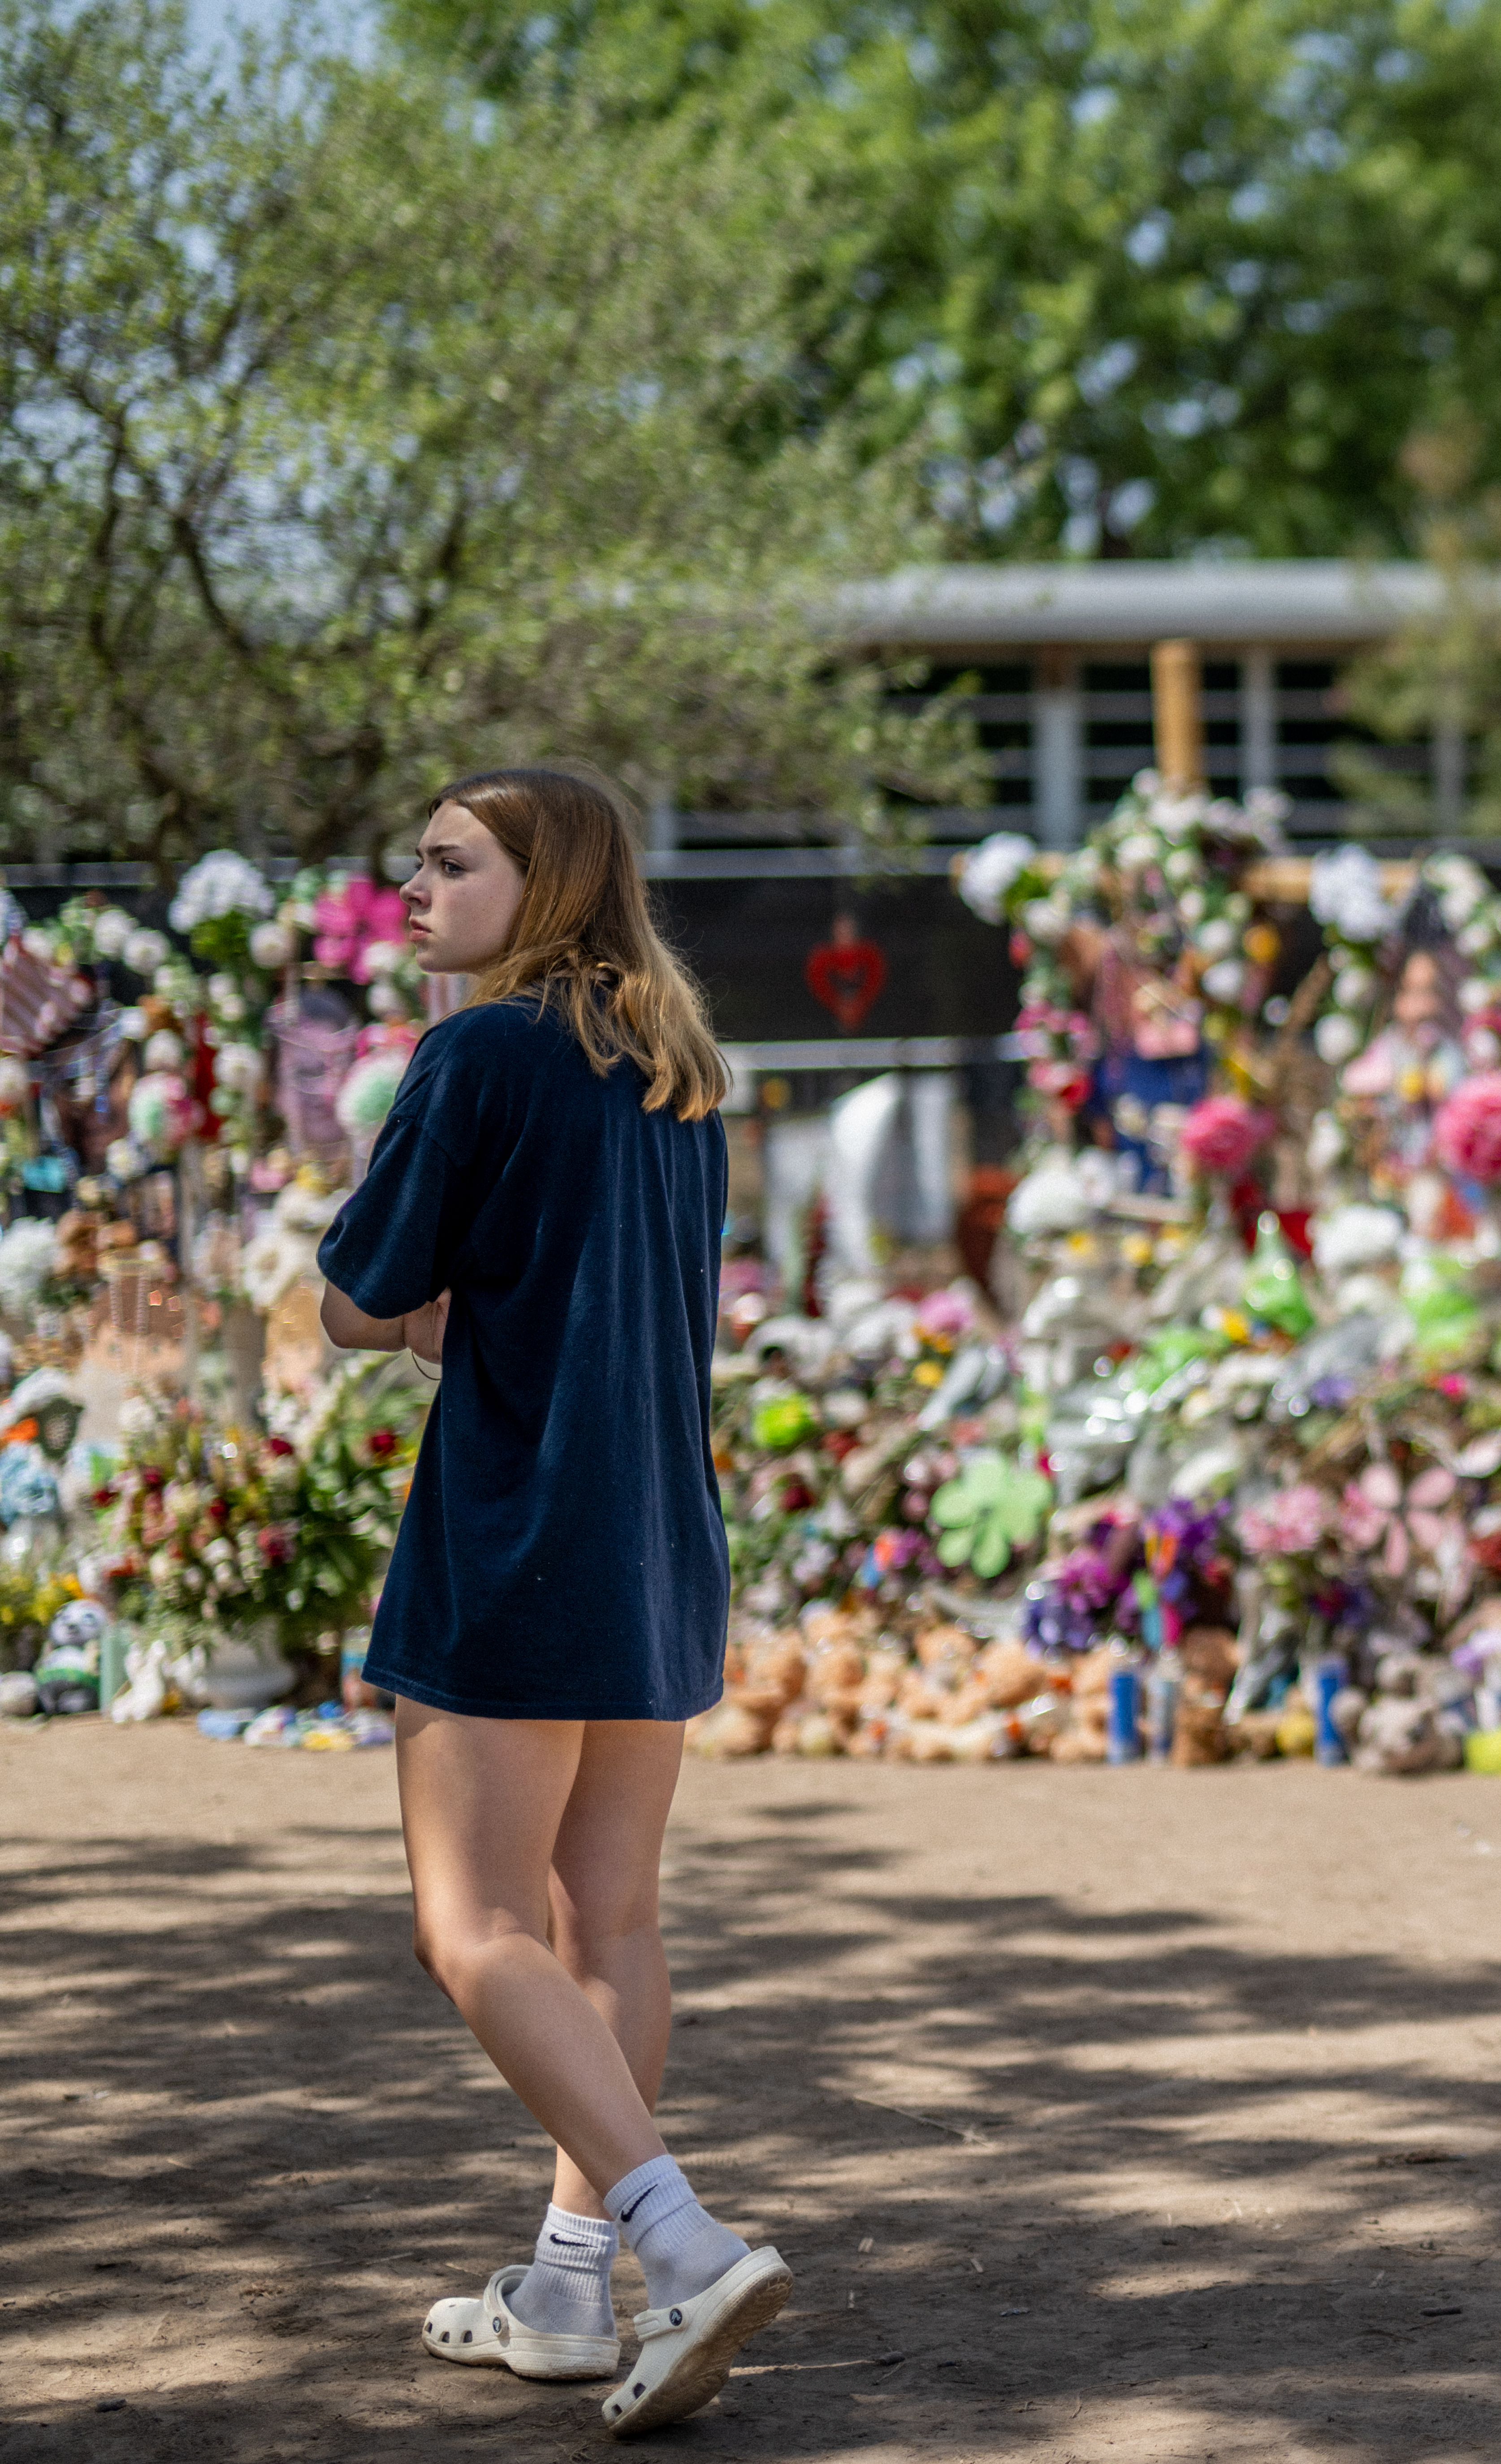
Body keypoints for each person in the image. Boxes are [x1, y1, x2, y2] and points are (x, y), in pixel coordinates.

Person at [316, 766, 787, 2439]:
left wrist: (411, 1300)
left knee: (473, 1926)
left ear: (550, 879)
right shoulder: (677, 1071)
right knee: (617, 1927)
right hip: (658, 1538)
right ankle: (569, 2282)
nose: (414, 893)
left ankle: (679, 2233)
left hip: (514, 1534)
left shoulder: (480, 1050)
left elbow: (360, 1299)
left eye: (449, 865)